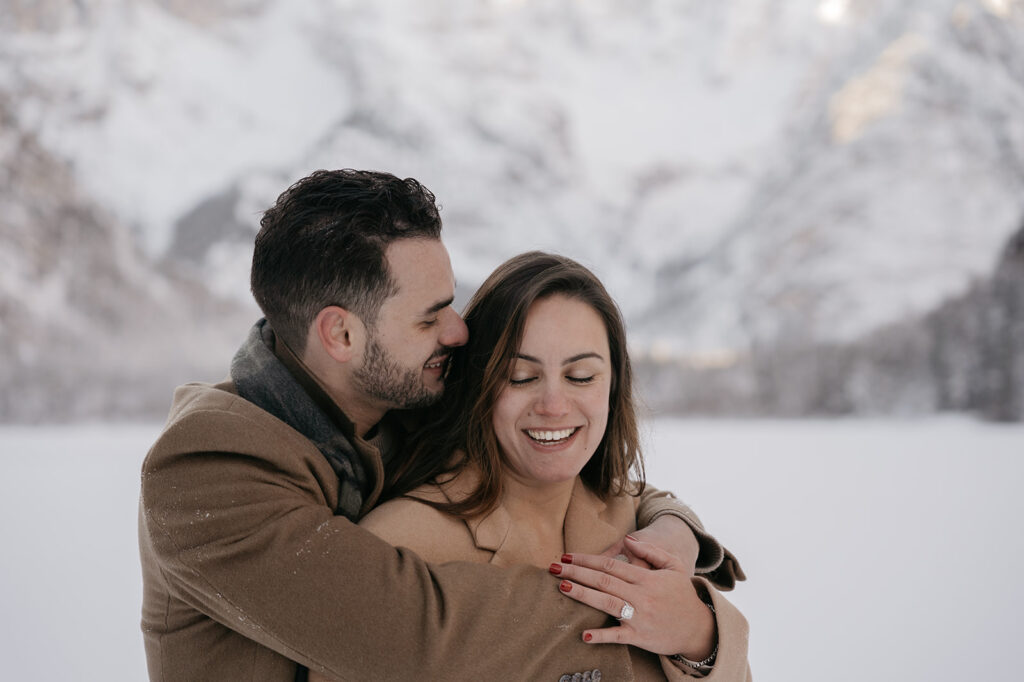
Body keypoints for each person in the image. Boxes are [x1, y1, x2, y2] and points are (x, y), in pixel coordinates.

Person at [138, 169, 743, 680]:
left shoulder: (396, 401)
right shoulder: (205, 469)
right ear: (341, 334)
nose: (458, 331)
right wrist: (655, 611)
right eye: (429, 318)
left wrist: (674, 530)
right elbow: (412, 635)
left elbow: (584, 474)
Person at [322, 252, 750, 681]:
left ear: (613, 386)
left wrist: (699, 637)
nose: (553, 406)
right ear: (479, 385)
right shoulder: (399, 546)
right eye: (521, 377)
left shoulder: (635, 522)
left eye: (581, 376)